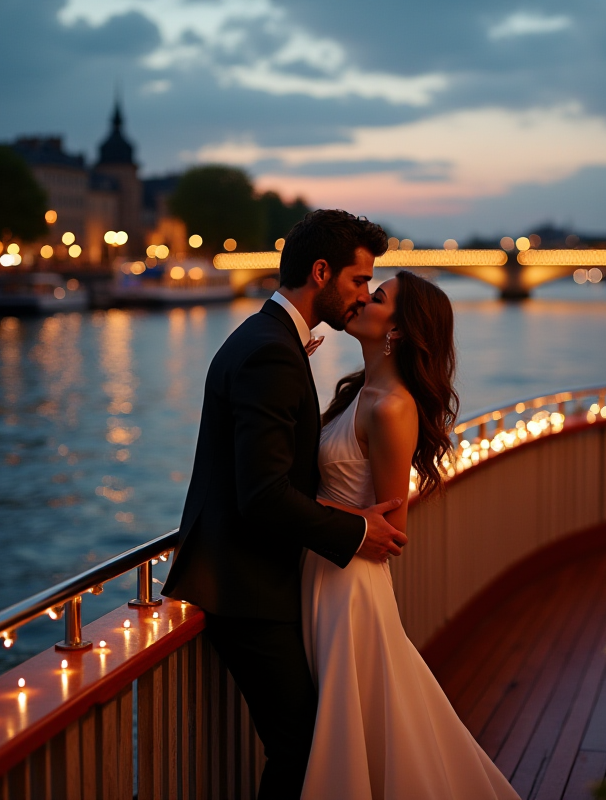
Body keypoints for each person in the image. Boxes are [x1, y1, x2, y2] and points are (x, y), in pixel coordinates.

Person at [162, 210, 408, 800]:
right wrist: (353, 531)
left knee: (306, 741)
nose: (361, 296)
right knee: (300, 745)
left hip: (254, 579)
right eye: (356, 281)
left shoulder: (267, 338)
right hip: (245, 589)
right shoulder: (272, 353)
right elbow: (264, 494)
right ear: (320, 272)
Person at [301, 269, 520, 799]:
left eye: (375, 297)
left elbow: (393, 529)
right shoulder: (360, 390)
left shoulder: (392, 405)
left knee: (354, 733)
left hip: (347, 586)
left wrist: (297, 509)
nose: (359, 300)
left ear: (397, 330)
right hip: (323, 570)